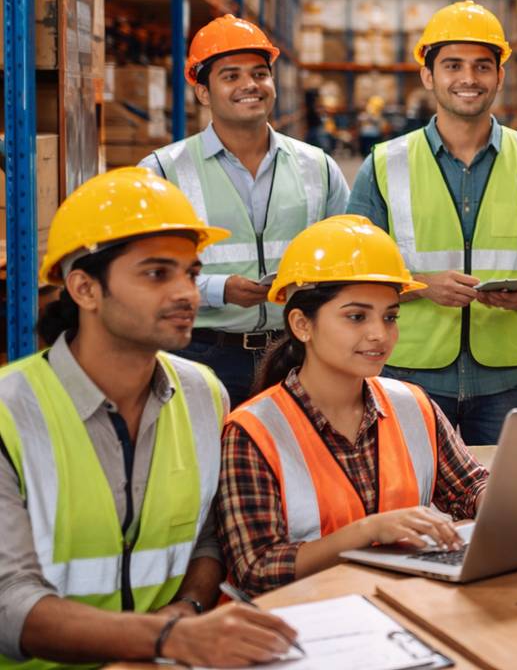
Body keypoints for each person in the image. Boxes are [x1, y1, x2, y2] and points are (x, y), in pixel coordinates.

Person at [0, 168, 298, 669]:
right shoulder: (11, 410)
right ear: (84, 288)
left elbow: (209, 535)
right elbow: (9, 603)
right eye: (158, 273)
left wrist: (188, 612)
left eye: (192, 273)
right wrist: (165, 636)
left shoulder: (204, 392)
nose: (187, 293)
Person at [347, 0, 517, 446]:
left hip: (506, 378)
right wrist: (421, 285)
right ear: (428, 75)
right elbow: (353, 270)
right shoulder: (384, 164)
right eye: (453, 65)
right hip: (409, 373)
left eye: (482, 66)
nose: (468, 79)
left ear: (500, 76)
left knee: (505, 502)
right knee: (408, 502)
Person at [216, 215, 489, 595]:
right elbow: (257, 568)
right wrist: (365, 532)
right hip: (302, 626)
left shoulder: (412, 405)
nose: (380, 335)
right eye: (356, 317)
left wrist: (501, 499)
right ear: (301, 324)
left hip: (405, 608)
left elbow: (471, 486)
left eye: (390, 317)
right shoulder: (252, 431)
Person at [140, 14, 351, 406]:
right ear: (203, 92)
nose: (249, 85)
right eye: (231, 76)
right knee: (204, 465)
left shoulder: (318, 167)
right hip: (200, 355)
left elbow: (347, 260)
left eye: (259, 73)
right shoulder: (162, 172)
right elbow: (145, 277)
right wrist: (221, 290)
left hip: (297, 353)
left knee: (295, 464)